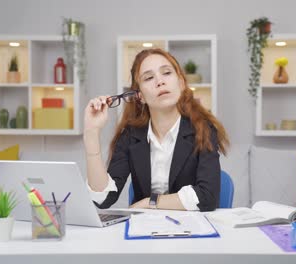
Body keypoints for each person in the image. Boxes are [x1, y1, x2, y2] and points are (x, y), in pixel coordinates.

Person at [83, 48, 229, 211]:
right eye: (149, 78)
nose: (160, 81)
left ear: (180, 83)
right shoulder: (131, 135)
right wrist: (91, 132)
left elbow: (207, 197)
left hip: (192, 230)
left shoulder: (203, 129)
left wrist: (150, 202)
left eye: (166, 73)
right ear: (140, 96)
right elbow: (103, 199)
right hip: (145, 230)